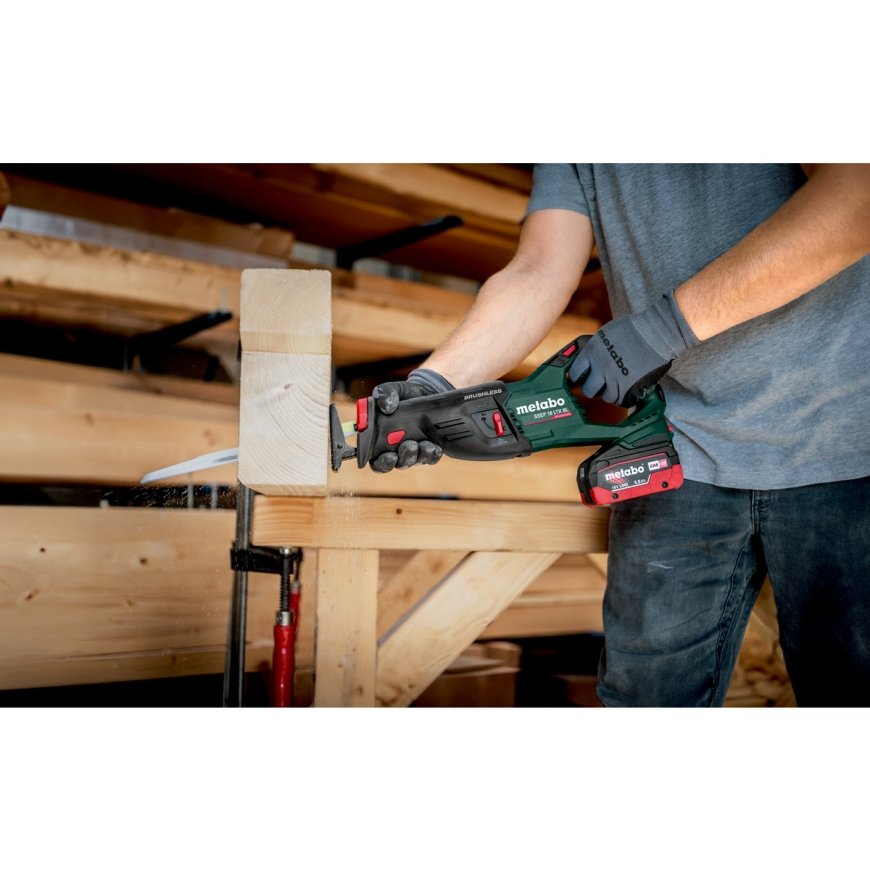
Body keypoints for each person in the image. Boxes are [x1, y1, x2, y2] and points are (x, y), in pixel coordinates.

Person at [368, 164, 870, 707]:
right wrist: (434, 387)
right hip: (673, 450)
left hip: (846, 445)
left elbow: (855, 198)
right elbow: (538, 269)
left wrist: (661, 329)